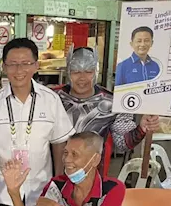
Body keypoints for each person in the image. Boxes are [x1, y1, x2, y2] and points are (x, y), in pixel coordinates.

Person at [0, 38, 75, 206]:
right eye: (13, 65)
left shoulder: (50, 100)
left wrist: (58, 183)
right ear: (4, 67)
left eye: (26, 64)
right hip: (2, 194)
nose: (19, 71)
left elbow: (60, 142)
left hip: (40, 192)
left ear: (36, 65)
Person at [55, 47, 160, 175]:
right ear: (68, 72)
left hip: (92, 177)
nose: (82, 78)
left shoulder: (113, 102)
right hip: (52, 174)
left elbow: (123, 143)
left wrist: (141, 129)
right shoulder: (51, 98)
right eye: (76, 71)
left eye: (88, 71)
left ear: (96, 72)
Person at [2, 132, 125, 206]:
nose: (67, 159)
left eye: (74, 154)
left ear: (95, 160)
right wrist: (14, 192)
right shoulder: (56, 185)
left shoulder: (112, 189)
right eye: (65, 153)